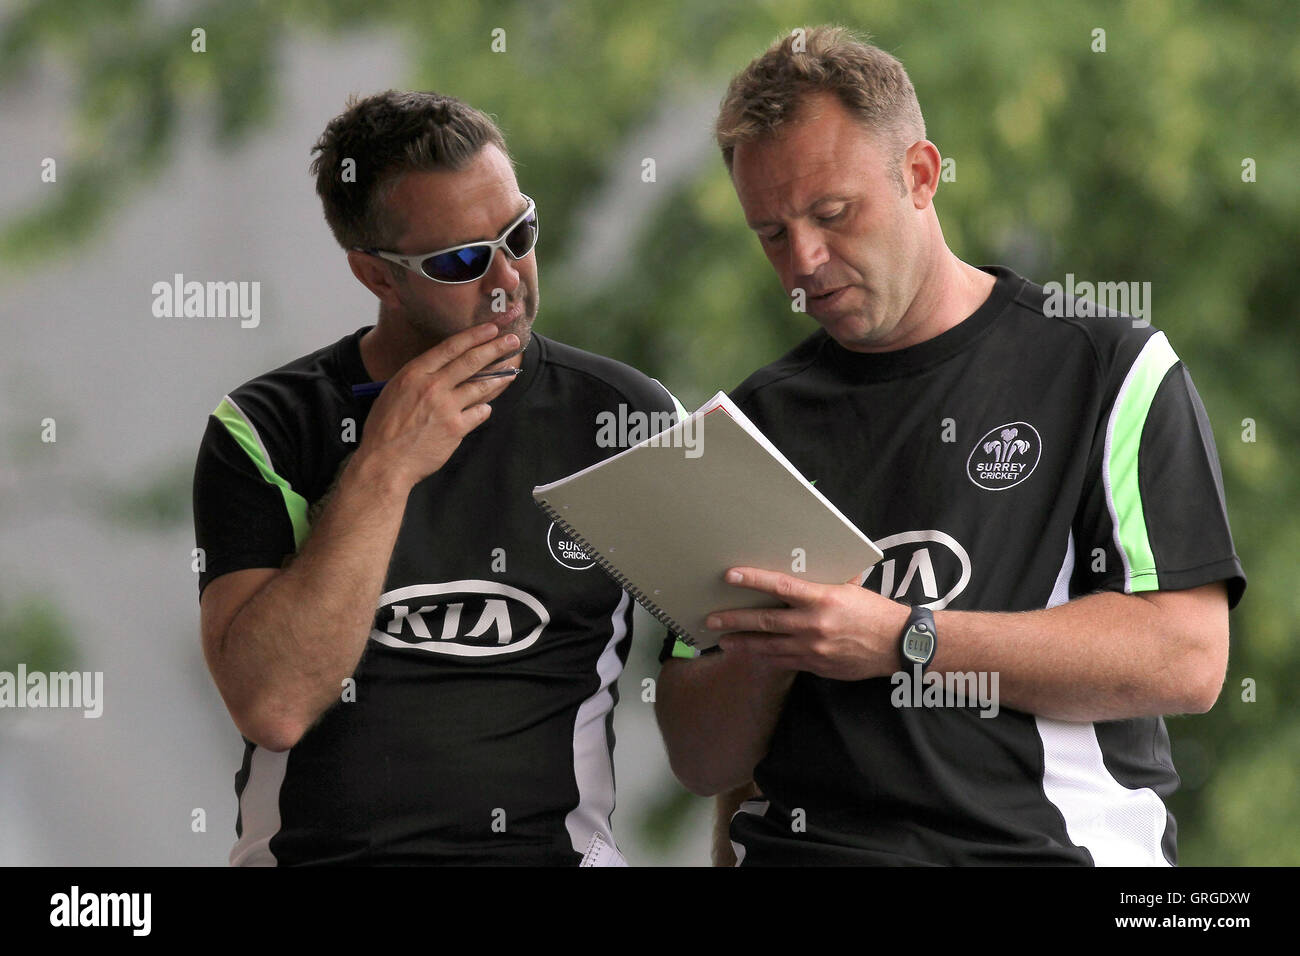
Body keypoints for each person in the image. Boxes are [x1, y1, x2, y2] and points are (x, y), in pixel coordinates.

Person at [654, 26, 1246, 866]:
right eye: (771, 233)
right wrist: (768, 651)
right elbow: (701, 757)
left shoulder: (1106, 368)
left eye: (831, 214)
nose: (803, 263)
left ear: (921, 175)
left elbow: (1187, 660)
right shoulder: (750, 427)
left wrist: (905, 638)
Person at [192, 90, 681, 865]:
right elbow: (273, 704)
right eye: (460, 261)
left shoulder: (626, 417)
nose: (507, 280)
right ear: (376, 276)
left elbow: (731, 684)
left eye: (518, 233)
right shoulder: (267, 427)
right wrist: (384, 465)